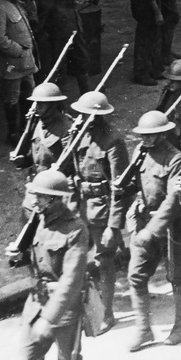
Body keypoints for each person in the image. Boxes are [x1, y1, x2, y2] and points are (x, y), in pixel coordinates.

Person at [17, 170, 87, 360]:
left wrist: (50, 317)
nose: (34, 200)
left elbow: (71, 280)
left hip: (63, 308)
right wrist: (18, 255)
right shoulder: (36, 221)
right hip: (36, 302)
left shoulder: (75, 228)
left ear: (55, 199)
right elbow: (35, 257)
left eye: (40, 196)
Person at [124, 110, 181, 352]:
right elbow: (136, 183)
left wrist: (151, 230)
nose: (146, 139)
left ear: (163, 134)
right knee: (136, 275)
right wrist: (122, 186)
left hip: (171, 227)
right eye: (143, 135)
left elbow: (173, 200)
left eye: (151, 135)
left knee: (177, 277)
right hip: (144, 222)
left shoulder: (175, 159)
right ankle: (143, 329)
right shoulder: (140, 153)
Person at [70, 90, 128, 335]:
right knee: (80, 260)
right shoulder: (79, 136)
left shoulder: (113, 141)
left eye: (87, 115)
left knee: (104, 261)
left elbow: (121, 187)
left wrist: (113, 226)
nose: (82, 119)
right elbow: (74, 170)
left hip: (103, 209)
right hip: (82, 207)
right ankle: (89, 307)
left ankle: (107, 313)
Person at [0, 0, 40, 143]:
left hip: (26, 60)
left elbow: (33, 18)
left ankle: (26, 129)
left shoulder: (17, 2)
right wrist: (18, 50)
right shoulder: (0, 7)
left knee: (30, 93)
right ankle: (13, 133)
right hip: (13, 62)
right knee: (13, 97)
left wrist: (29, 1)